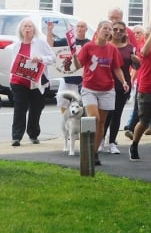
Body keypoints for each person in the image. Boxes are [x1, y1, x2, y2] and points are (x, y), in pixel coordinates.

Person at [73, 20, 129, 165]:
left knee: (101, 123)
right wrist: (74, 55)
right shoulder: (89, 46)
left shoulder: (112, 49)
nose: (108, 31)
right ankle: (87, 150)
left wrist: (123, 82)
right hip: (89, 88)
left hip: (107, 89)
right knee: (94, 118)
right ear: (98, 30)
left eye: (110, 29)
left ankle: (94, 152)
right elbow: (79, 64)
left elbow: (116, 68)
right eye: (105, 28)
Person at [9, 18, 55, 146]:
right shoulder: (17, 44)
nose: (27, 29)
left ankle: (33, 134)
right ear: (21, 29)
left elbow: (53, 58)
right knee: (19, 108)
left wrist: (40, 58)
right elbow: (14, 62)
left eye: (30, 26)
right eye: (25, 26)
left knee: (36, 109)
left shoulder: (40, 43)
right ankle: (16, 137)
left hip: (36, 82)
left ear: (34, 29)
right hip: (18, 81)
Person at [102, 20, 139, 155]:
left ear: (125, 33)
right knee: (105, 115)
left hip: (122, 85)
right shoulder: (105, 45)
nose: (118, 32)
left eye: (121, 30)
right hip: (105, 84)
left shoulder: (129, 48)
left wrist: (136, 61)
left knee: (117, 114)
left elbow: (136, 66)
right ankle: (100, 140)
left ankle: (112, 142)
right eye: (115, 29)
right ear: (111, 30)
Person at [128, 20, 151, 161]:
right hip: (147, 88)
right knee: (144, 121)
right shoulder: (144, 45)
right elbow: (144, 51)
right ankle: (134, 144)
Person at [46, 20, 90, 113]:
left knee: (81, 105)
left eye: (82, 26)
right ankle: (66, 121)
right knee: (62, 102)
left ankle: (79, 124)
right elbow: (51, 45)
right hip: (67, 78)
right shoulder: (66, 41)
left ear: (86, 29)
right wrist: (49, 30)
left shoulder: (88, 44)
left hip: (82, 80)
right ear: (74, 28)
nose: (79, 28)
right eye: (78, 26)